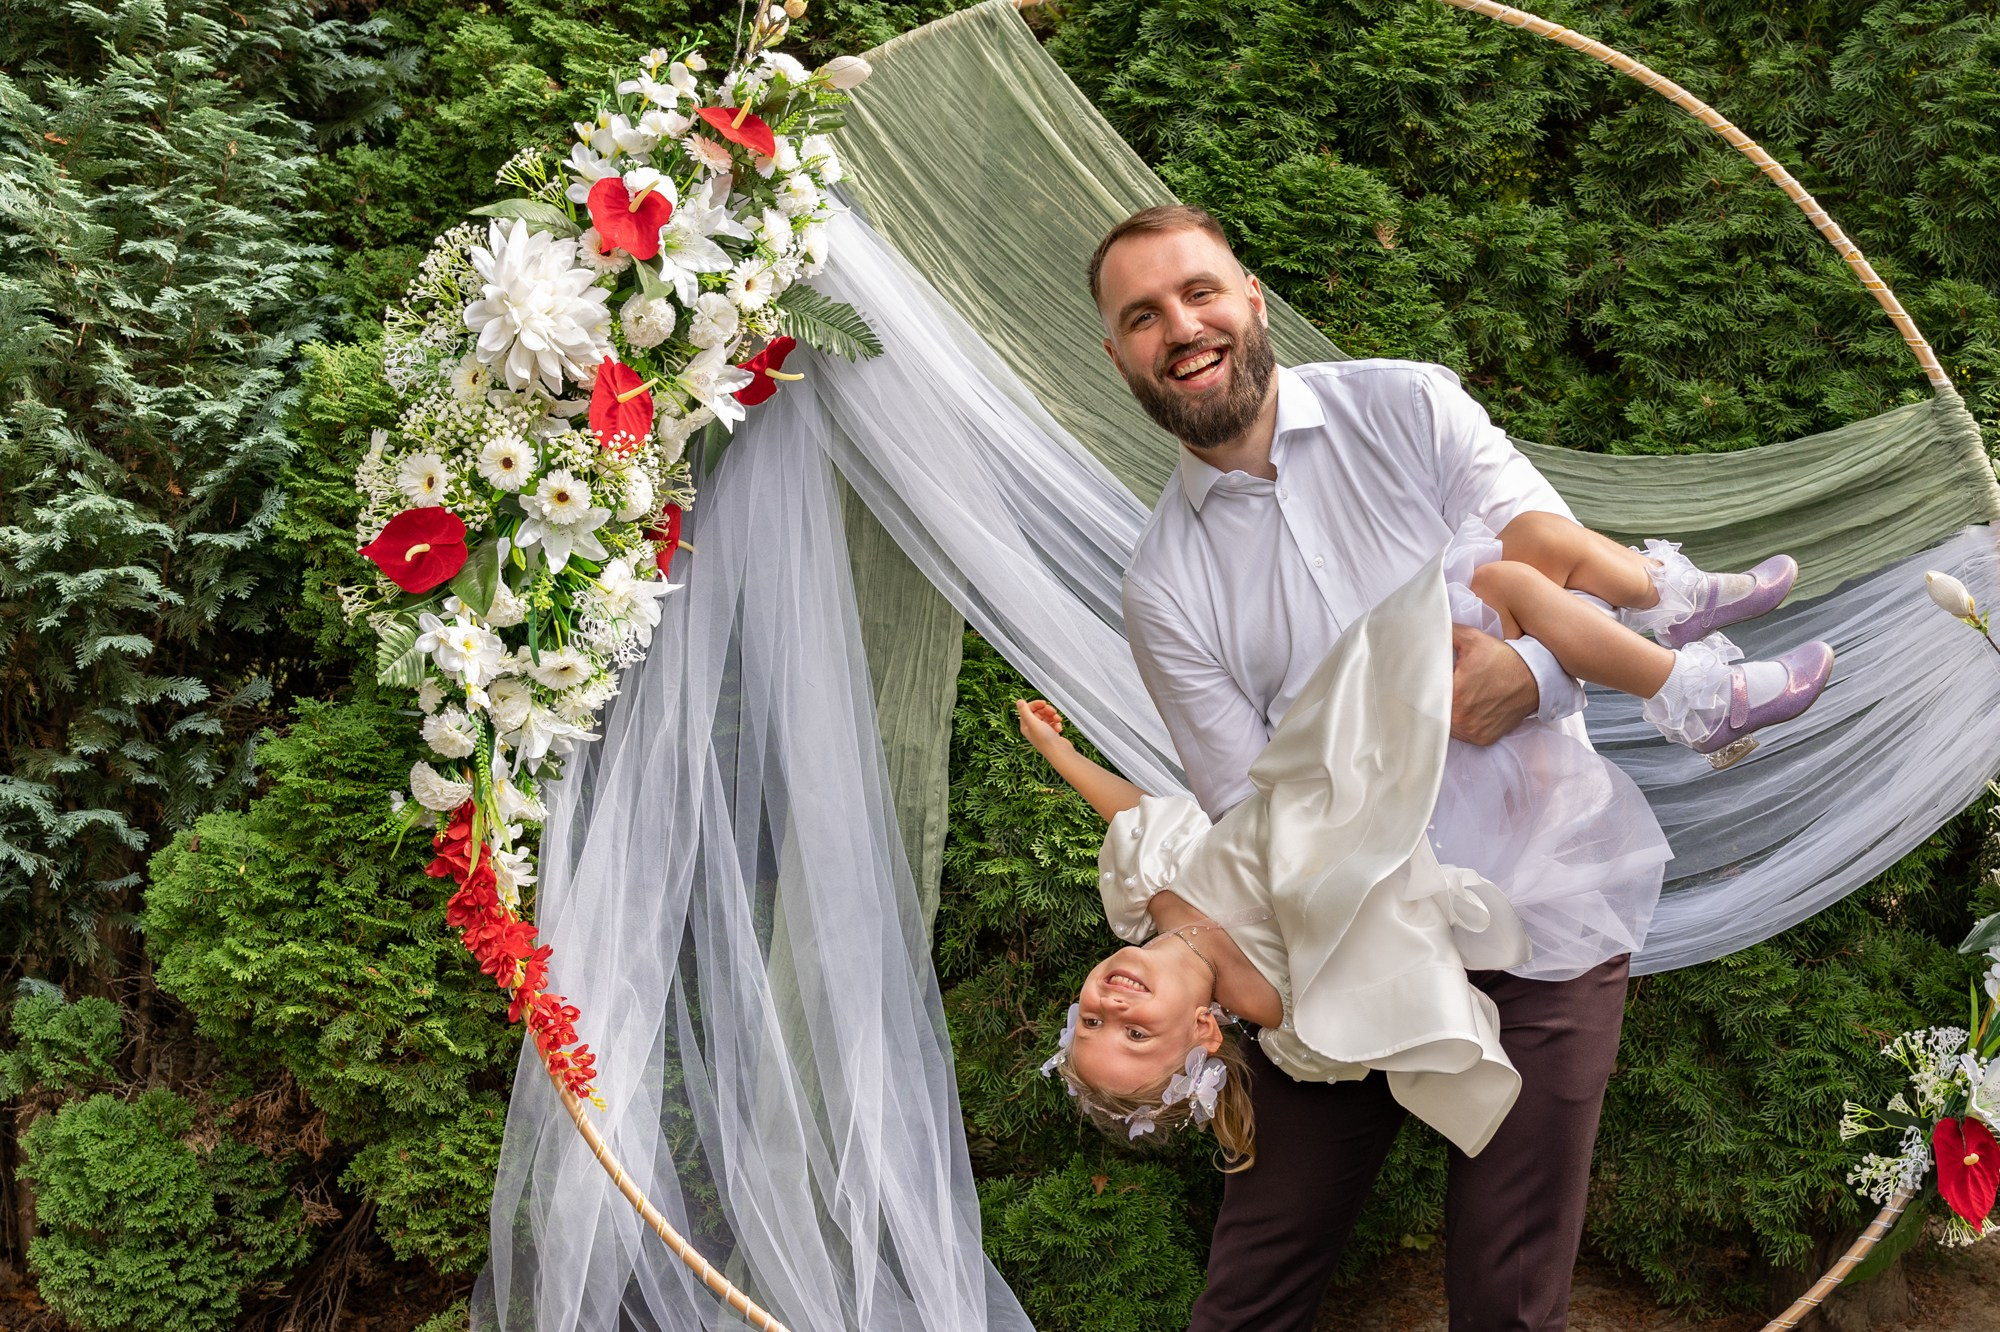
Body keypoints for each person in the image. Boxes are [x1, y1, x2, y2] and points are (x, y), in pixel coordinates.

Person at [1083, 203, 1831, 1331]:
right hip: (1342, 963)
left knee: (1505, 1296)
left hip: (1544, 904)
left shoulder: (1408, 406)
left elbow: (1561, 563)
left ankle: (1698, 678)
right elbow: (1256, 813)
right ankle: (1700, 684)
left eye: (1196, 292)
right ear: (1118, 358)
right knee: (1250, 1286)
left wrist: (1527, 677)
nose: (1178, 328)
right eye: (1141, 317)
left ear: (1248, 297)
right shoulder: (1162, 587)